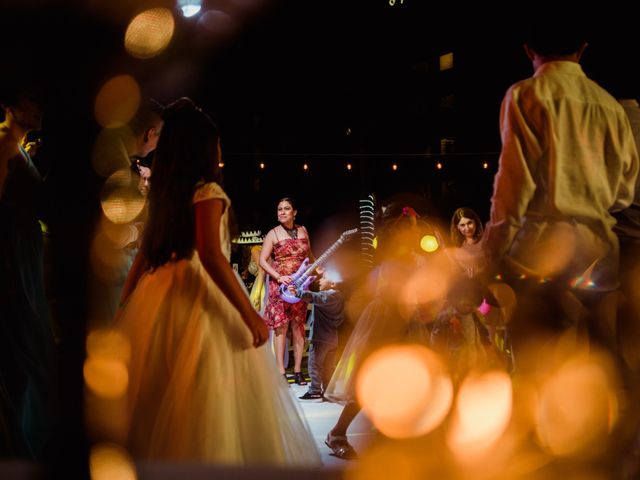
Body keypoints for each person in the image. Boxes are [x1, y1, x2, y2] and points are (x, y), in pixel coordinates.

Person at [111, 98, 321, 465]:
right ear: (205, 148)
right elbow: (210, 255)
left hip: (159, 292)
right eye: (217, 142)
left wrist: (126, 303)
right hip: (198, 294)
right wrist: (249, 316)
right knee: (208, 393)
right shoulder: (208, 191)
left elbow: (146, 253)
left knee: (162, 389)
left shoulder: (166, 195)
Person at [483, 18, 639, 359]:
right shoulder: (611, 106)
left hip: (539, 260)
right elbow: (624, 192)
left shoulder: (524, 95)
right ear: (582, 48)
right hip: (599, 260)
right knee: (598, 373)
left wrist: (488, 255)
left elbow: (512, 191)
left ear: (528, 50)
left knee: (538, 372)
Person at [323, 203, 423, 459]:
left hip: (403, 322)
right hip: (383, 322)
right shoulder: (388, 256)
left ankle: (385, 436)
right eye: (407, 228)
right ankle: (337, 434)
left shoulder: (413, 257)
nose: (412, 232)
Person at [0, 85, 56, 459]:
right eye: (29, 99)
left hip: (24, 247)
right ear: (8, 106)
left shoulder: (19, 146)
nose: (37, 107)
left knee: (30, 337)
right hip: (11, 250)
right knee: (22, 336)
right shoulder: (5, 143)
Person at [89, 97, 164, 326]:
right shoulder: (116, 163)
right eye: (160, 136)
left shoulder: (119, 157)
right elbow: (111, 234)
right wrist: (140, 231)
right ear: (150, 133)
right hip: (108, 272)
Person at [259, 197, 315, 385]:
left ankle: (298, 370)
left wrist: (317, 268)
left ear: (294, 212)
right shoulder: (273, 233)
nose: (282, 212)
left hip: (300, 285)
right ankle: (281, 372)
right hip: (280, 285)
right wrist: (278, 276)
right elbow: (262, 260)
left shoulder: (303, 230)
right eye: (279, 209)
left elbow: (310, 255)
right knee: (281, 328)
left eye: (286, 209)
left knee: (299, 327)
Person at [430, 277, 501, 383]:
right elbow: (437, 340)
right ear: (456, 300)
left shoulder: (473, 316)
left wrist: (488, 346)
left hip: (474, 359)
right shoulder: (447, 318)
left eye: (475, 306)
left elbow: (481, 331)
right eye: (468, 305)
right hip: (456, 361)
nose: (471, 309)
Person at [293, 273, 345, 400]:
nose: (320, 281)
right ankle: (327, 389)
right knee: (328, 366)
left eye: (324, 278)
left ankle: (315, 390)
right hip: (332, 339)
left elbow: (314, 297)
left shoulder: (329, 296)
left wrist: (297, 292)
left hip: (320, 338)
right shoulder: (339, 297)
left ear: (333, 284)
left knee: (314, 364)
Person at [448, 207, 487, 280]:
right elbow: (455, 273)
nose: (467, 228)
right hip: (467, 287)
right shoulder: (457, 248)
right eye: (462, 225)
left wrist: (480, 272)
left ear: (475, 222)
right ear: (458, 227)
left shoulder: (487, 240)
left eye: (469, 223)